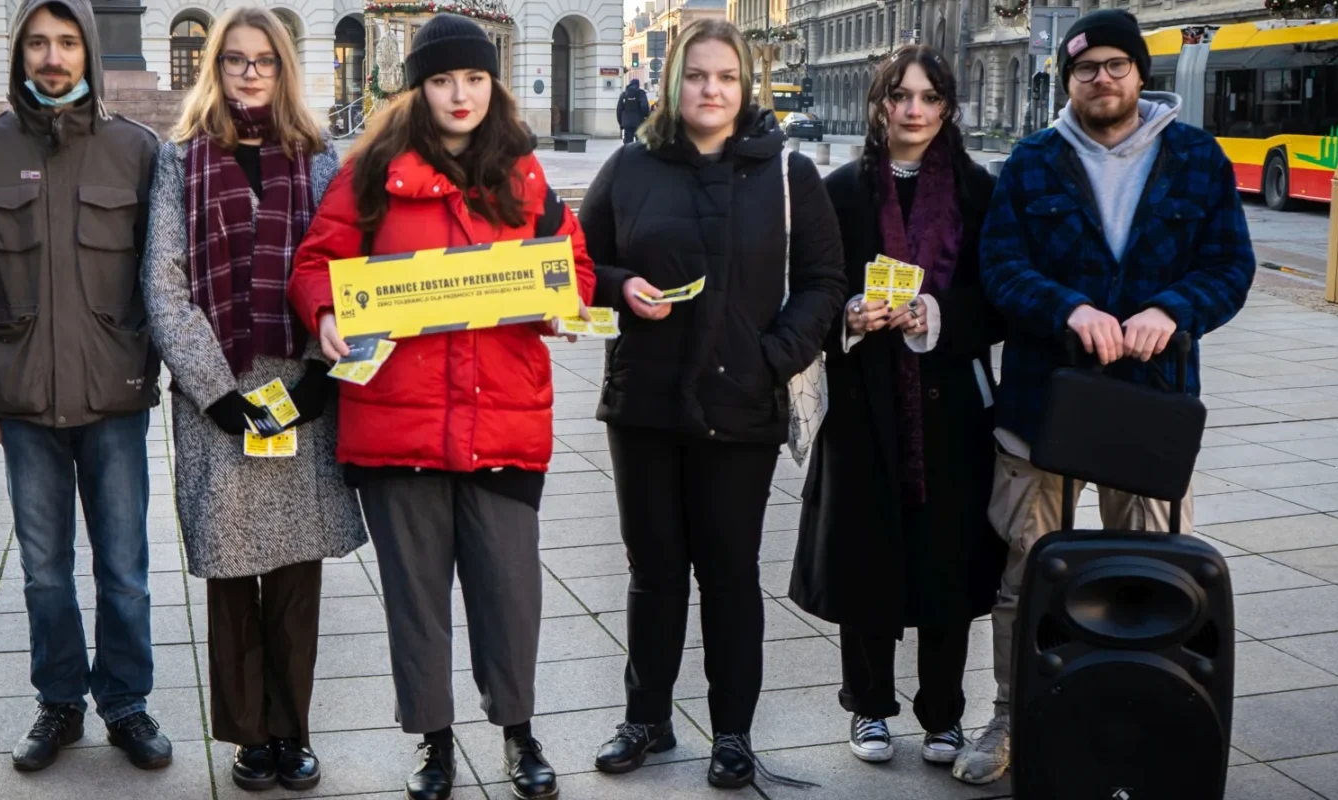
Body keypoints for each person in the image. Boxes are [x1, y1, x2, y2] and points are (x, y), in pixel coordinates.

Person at [287, 15, 595, 800]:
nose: (460, 95)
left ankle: (519, 736)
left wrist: (565, 300)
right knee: (416, 602)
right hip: (399, 426)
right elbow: (318, 262)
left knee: (511, 596)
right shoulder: (368, 171)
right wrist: (324, 311)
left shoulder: (525, 176)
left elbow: (575, 264)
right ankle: (433, 744)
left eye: (474, 79)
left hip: (503, 422)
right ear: (418, 87)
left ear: (493, 85)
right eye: (442, 80)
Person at [959, 8, 1254, 785]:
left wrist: (1173, 311)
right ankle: (1010, 717)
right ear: (1070, 80)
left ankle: (1152, 711)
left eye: (1117, 65)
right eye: (1087, 69)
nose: (1102, 80)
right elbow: (1002, 268)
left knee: (1154, 574)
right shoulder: (1030, 161)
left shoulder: (1196, 159)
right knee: (1027, 575)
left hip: (1148, 409)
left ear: (1139, 75)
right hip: (1040, 404)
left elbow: (1229, 267)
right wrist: (1068, 309)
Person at [578, 18, 847, 791]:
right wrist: (617, 285)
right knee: (654, 571)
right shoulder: (631, 168)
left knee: (729, 574)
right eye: (697, 75)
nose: (711, 89)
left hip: (742, 404)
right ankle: (648, 718)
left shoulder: (788, 174)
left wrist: (774, 356)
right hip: (646, 403)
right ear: (672, 83)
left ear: (745, 85)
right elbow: (577, 257)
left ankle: (733, 733)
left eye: (725, 77)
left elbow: (826, 281)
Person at [141, 6, 365, 793]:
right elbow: (164, 285)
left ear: (283, 68)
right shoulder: (181, 160)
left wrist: (317, 378)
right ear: (215, 67)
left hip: (300, 384)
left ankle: (292, 728)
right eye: (233, 59)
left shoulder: (318, 158)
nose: (247, 72)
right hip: (221, 391)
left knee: (297, 571)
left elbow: (343, 270)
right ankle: (248, 735)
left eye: (262, 60)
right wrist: (212, 392)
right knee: (233, 570)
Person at [0, 0, 170, 773]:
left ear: (89, 52)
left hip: (114, 396)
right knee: (46, 569)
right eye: (38, 43)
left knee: (125, 569)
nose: (53, 57)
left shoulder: (138, 149)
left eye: (67, 42)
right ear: (20, 52)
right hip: (23, 402)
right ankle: (59, 702)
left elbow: (161, 279)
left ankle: (127, 703)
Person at [788, 45, 1006, 773]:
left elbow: (1000, 298)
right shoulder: (840, 189)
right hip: (863, 402)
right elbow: (813, 289)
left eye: (929, 97)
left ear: (947, 108)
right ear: (881, 104)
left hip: (950, 410)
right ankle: (868, 706)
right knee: (866, 559)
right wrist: (850, 313)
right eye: (900, 96)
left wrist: (936, 314)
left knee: (948, 564)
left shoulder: (979, 191)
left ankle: (944, 714)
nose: (914, 110)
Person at [617, 78, 648, 144]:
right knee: (639, 144)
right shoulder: (641, 93)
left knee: (628, 143)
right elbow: (645, 106)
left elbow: (619, 110)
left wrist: (621, 123)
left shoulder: (624, 95)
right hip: (639, 122)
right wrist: (646, 116)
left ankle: (628, 154)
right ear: (638, 85)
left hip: (627, 123)